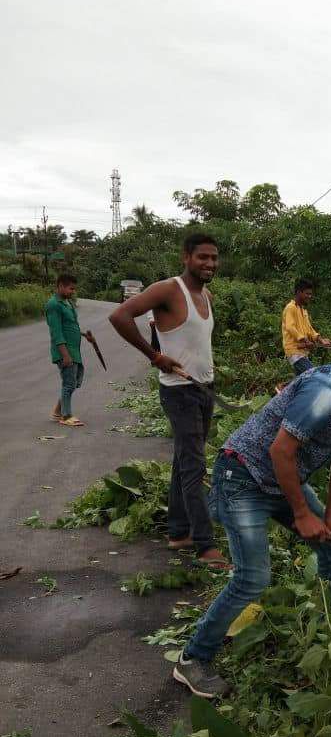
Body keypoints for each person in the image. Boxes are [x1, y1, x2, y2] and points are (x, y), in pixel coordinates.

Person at [173, 324, 331, 698]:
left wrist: (329, 514)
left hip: (285, 480)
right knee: (252, 578)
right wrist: (302, 514)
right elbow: (280, 451)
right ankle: (192, 659)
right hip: (244, 477)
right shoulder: (326, 389)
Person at [108, 233, 229, 570]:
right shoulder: (168, 289)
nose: (209, 264)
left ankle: (178, 532)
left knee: (183, 462)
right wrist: (154, 356)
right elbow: (120, 316)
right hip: (179, 392)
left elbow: (196, 340)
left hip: (203, 389)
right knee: (194, 466)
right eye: (202, 257)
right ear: (186, 257)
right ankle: (205, 546)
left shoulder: (205, 295)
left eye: (214, 258)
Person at [45, 272, 96, 428]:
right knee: (69, 383)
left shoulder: (68, 303)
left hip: (74, 350)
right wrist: (65, 355)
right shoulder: (53, 305)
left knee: (73, 382)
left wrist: (84, 336)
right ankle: (66, 416)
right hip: (65, 351)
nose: (73, 292)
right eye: (70, 289)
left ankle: (57, 411)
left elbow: (70, 325)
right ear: (60, 286)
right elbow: (56, 332)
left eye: (74, 289)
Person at [281, 279, 331, 375]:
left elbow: (309, 329)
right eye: (307, 294)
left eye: (310, 294)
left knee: (302, 381)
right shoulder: (290, 308)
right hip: (294, 351)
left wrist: (321, 340)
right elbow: (290, 327)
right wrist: (305, 341)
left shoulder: (303, 310)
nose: (310, 296)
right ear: (298, 292)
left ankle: (288, 389)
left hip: (302, 352)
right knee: (314, 376)